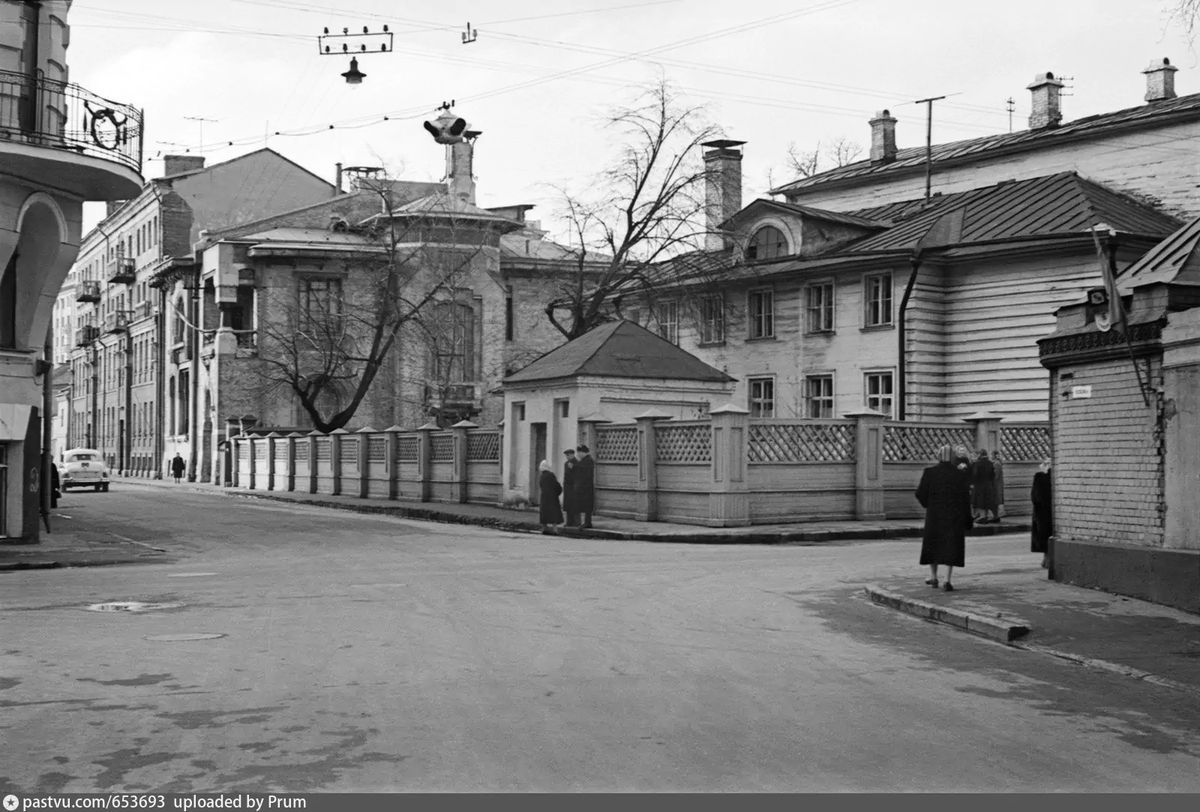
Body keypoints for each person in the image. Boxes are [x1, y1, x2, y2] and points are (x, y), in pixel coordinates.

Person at [916, 444, 973, 591]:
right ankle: (947, 579)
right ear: (953, 457)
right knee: (951, 546)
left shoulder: (929, 472)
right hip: (954, 516)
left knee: (933, 544)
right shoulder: (959, 475)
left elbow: (920, 493)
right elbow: (966, 498)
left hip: (935, 515)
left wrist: (928, 504)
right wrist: (968, 519)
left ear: (939, 456)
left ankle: (933, 576)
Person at [1031, 459, 1053, 569]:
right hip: (1050, 511)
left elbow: (1034, 497)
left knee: (1043, 535)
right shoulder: (1052, 478)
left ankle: (1046, 560)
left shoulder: (1039, 478)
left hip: (1041, 512)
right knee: (1048, 534)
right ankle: (1046, 560)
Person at [971, 449, 999, 523]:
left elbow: (975, 475)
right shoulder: (990, 463)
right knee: (987, 501)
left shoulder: (978, 464)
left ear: (980, 455)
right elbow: (993, 475)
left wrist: (972, 482)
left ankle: (982, 517)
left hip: (979, 485)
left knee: (980, 501)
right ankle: (986, 516)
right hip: (988, 484)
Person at [537, 460, 564, 533]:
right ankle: (555, 529)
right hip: (552, 497)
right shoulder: (551, 475)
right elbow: (556, 485)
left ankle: (545, 528)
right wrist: (559, 491)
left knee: (544, 513)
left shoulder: (542, 476)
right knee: (553, 513)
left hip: (544, 497)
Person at [574, 444, 595, 528]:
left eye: (578, 452)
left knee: (584, 505)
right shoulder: (589, 460)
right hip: (587, 486)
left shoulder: (584, 462)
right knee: (587, 506)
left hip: (584, 487)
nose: (578, 455)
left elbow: (582, 476)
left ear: (582, 452)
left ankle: (585, 523)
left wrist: (578, 486)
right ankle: (587, 522)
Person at [562, 448, 579, 528]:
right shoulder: (566, 464)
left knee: (575, 505)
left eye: (568, 455)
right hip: (567, 487)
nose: (567, 457)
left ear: (572, 454)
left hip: (574, 487)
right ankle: (569, 521)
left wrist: (573, 467)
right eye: (566, 455)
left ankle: (576, 522)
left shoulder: (577, 463)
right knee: (568, 505)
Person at [992, 453, 1006, 520]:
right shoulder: (998, 463)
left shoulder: (996, 464)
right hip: (998, 484)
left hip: (997, 485)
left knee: (997, 499)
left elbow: (996, 475)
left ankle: (999, 514)